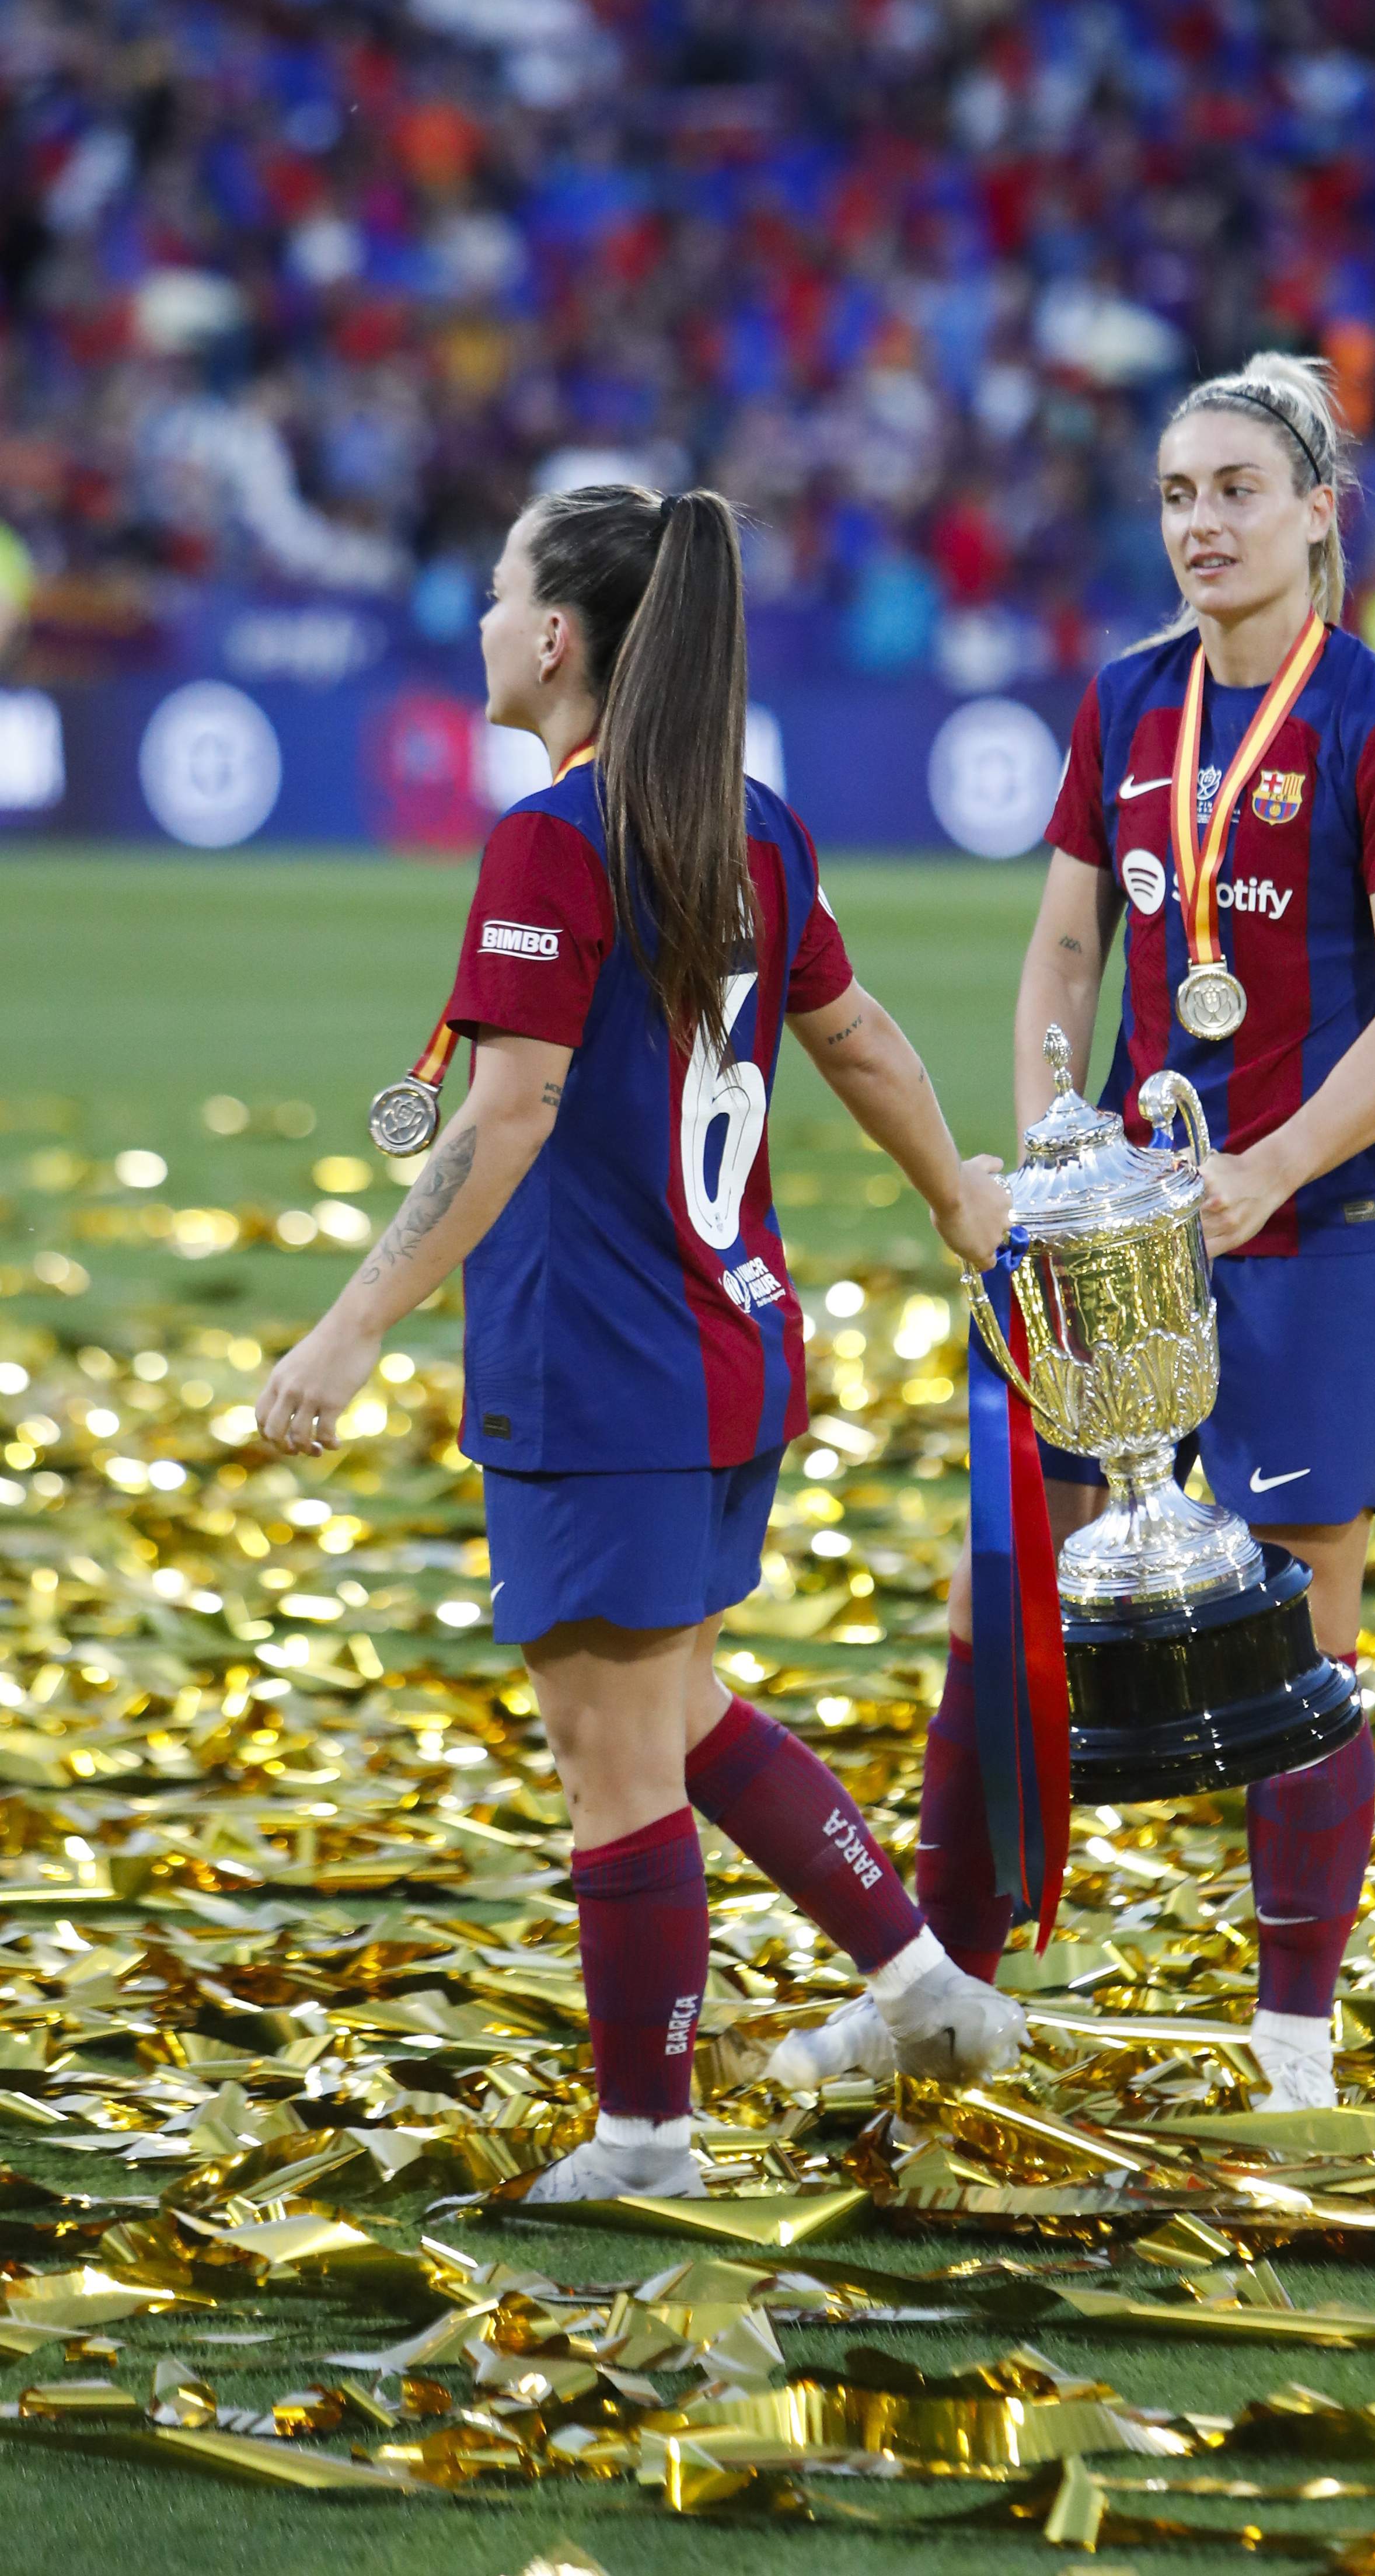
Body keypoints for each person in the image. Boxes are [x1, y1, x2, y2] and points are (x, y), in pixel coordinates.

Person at [256, 482, 1024, 2201]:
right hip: (731, 1344)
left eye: (495, 591)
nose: (475, 623)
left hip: (603, 1364)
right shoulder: (749, 822)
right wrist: (952, 1200)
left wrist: (350, 1326)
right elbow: (865, 1034)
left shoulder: (553, 837)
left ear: (554, 638)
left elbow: (509, 1113)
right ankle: (921, 1986)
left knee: (615, 1757)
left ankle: (647, 2140)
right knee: (680, 1709)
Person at [776, 353, 1375, 2114]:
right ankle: (940, 1988)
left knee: (1305, 1629)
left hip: (1317, 1236)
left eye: (1237, 490)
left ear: (1320, 512)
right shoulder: (1123, 710)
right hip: (1122, 1257)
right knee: (1000, 1594)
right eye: (1176, 495)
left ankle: (1294, 2041)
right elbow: (1065, 959)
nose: (1201, 526)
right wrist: (1046, 1152)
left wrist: (1276, 1163)